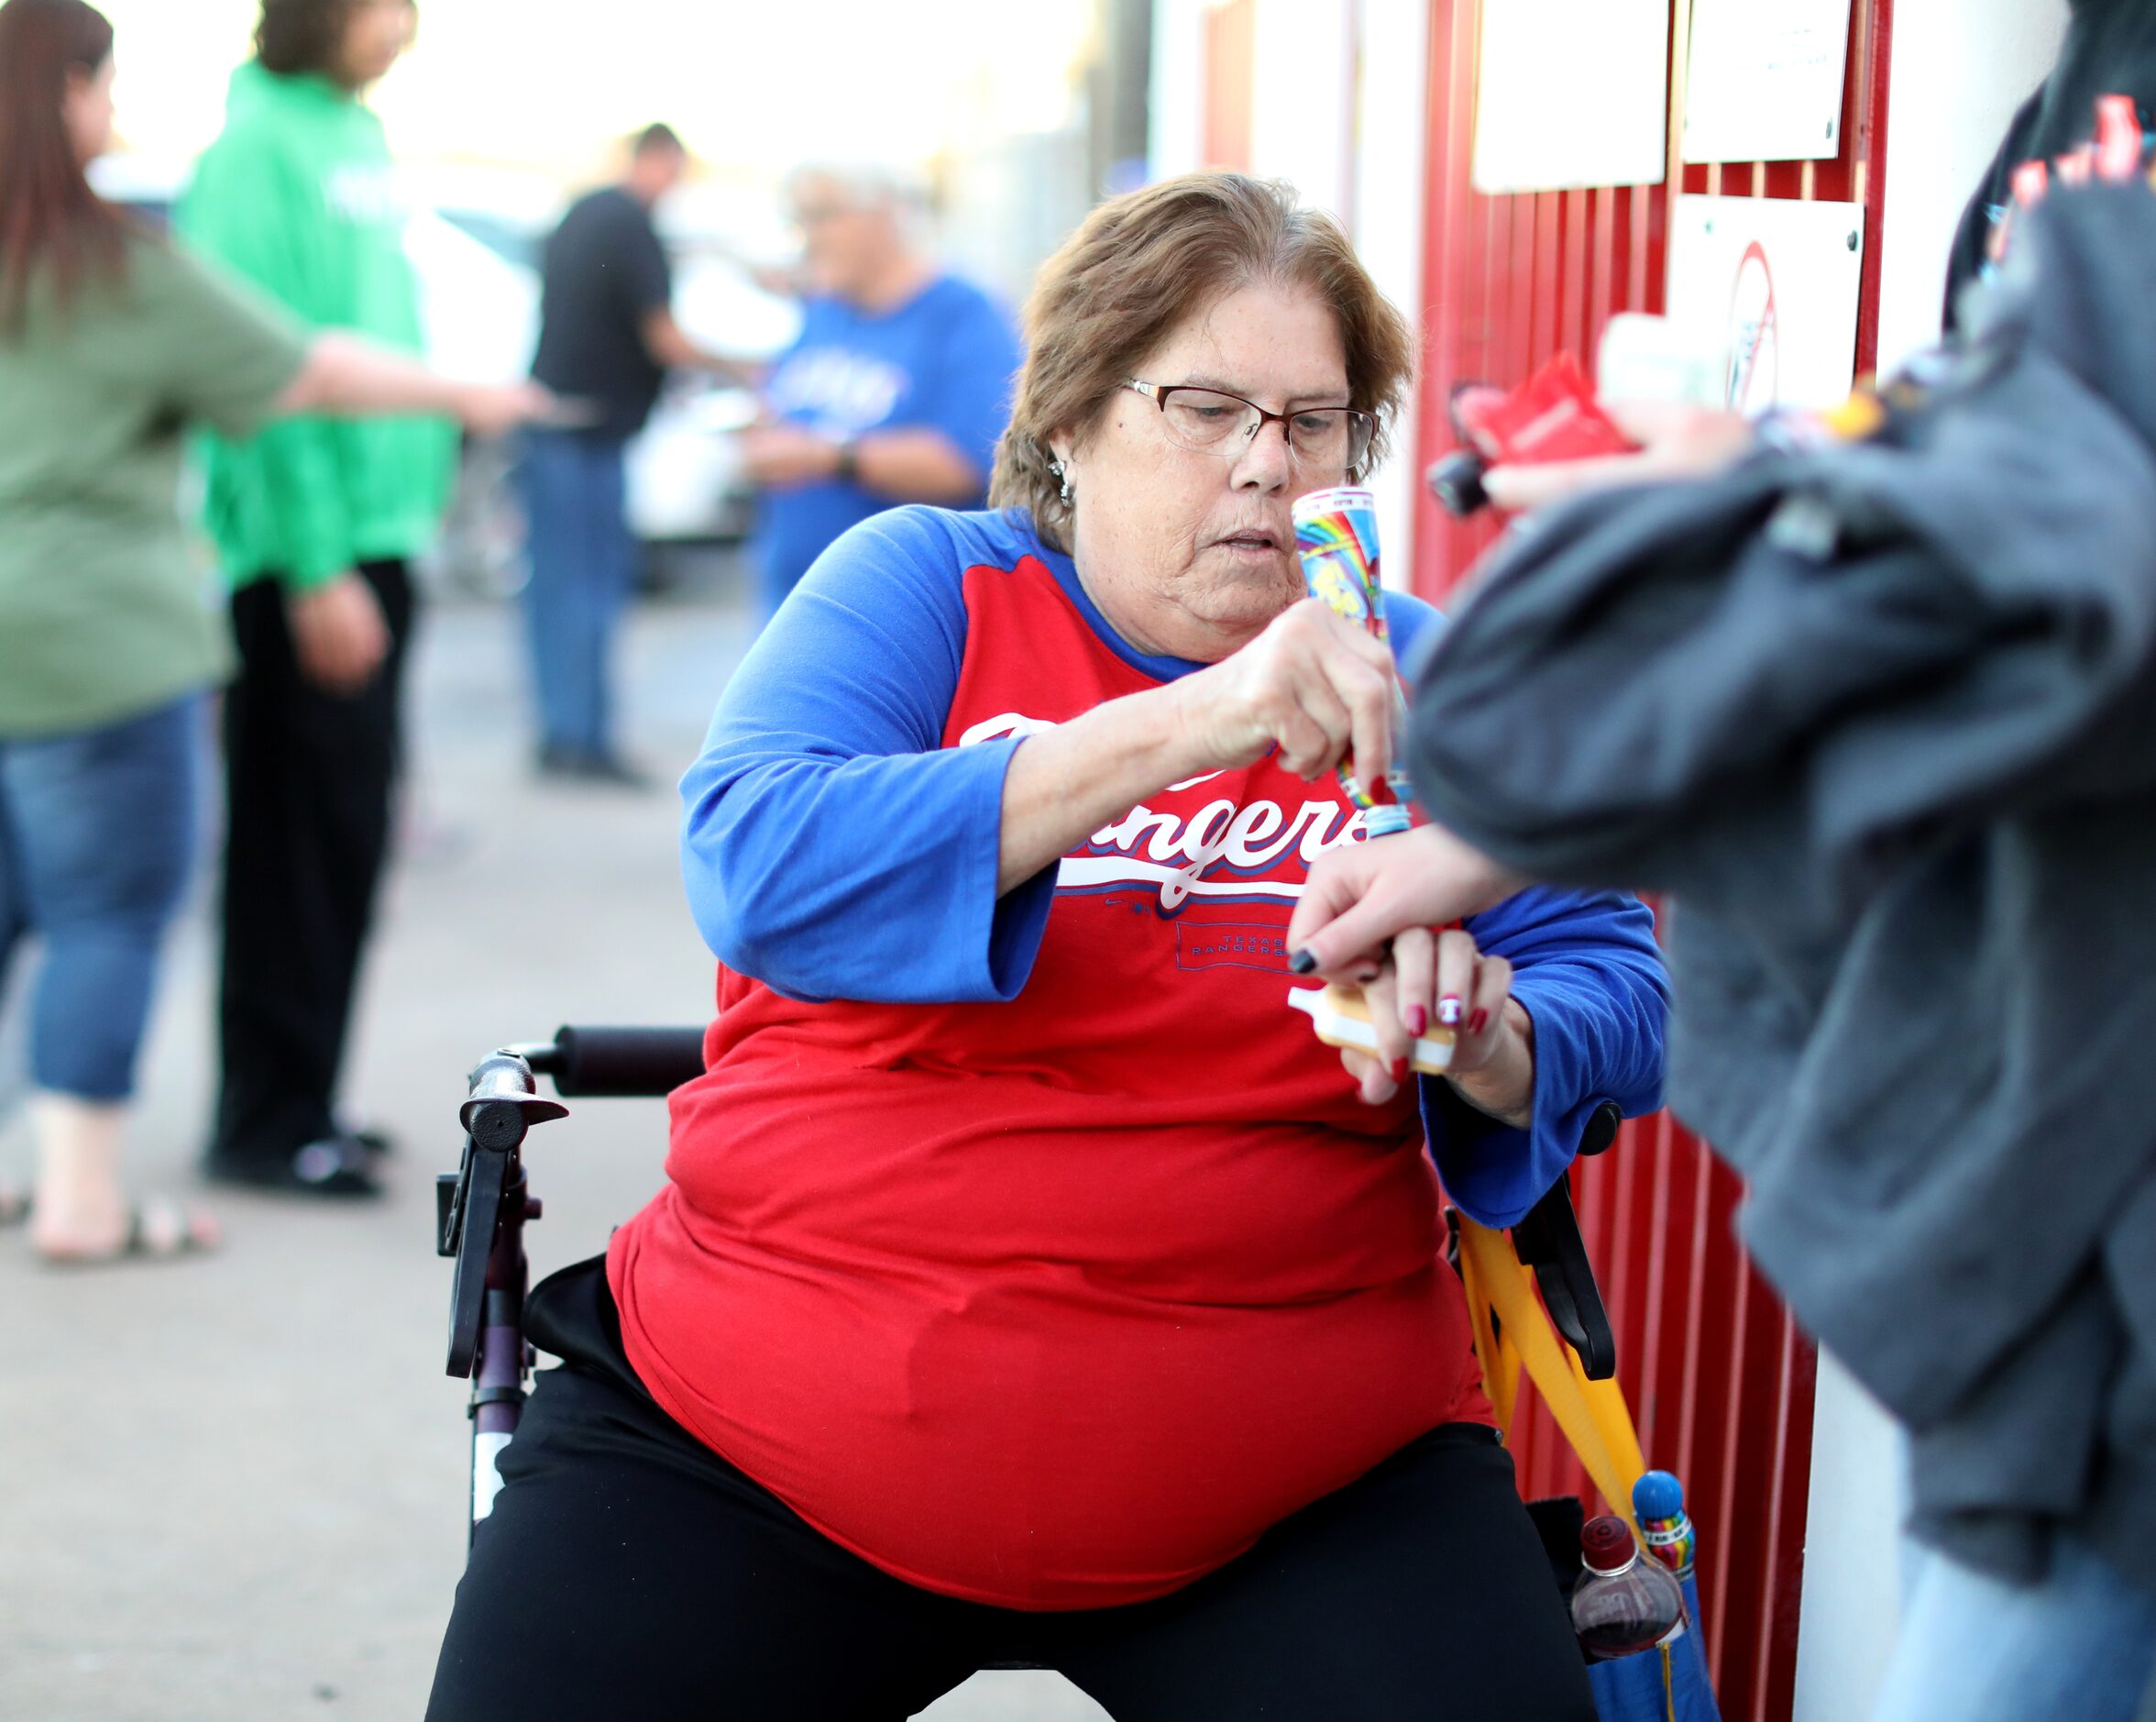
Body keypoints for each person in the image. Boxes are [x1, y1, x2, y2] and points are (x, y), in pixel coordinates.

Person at [1287, 6, 2156, 1721]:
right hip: (2073, 1139)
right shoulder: (2069, 99)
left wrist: (1816, 523)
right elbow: (2008, 552)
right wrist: (1502, 828)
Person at [426, 171, 1669, 1721]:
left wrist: (1490, 1033)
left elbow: (1616, 981)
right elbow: (758, 862)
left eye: (1314, 420)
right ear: (1073, 423)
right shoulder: (922, 588)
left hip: (1299, 1482)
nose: (1267, 468)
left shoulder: (1427, 672)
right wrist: (1196, 718)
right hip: (745, 1440)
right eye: (1207, 407)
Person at [0, 0, 542, 1263]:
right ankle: (89, 1194)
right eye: (104, 86)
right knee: (107, 911)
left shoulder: (313, 151)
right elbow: (296, 373)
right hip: (106, 636)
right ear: (65, 96)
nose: (118, 111)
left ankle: (76, 1164)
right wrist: (461, 399)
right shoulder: (117, 253)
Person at [176, 0, 446, 1198]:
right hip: (310, 559)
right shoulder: (251, 149)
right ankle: (266, 1117)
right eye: (377, 4)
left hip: (381, 538)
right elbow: (256, 378)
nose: (397, 25)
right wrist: (312, 561)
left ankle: (309, 1093)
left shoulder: (355, 136)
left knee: (345, 837)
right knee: (292, 841)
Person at [522, 122, 744, 786]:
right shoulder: (628, 224)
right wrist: (747, 370)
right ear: (656, 161)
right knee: (590, 591)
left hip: (553, 423)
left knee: (557, 592)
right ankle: (582, 741)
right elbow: (665, 338)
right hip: (585, 434)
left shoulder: (584, 212)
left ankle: (563, 734)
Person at [738, 162, 1023, 621]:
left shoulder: (963, 314)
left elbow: (972, 461)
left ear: (883, 214)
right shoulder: (826, 307)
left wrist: (825, 457)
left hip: (898, 616)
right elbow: (785, 403)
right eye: (799, 220)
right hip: (791, 602)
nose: (807, 237)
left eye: (822, 215)